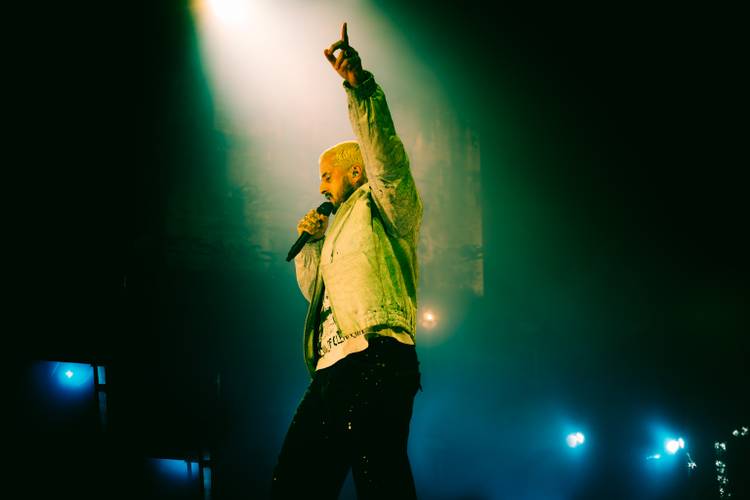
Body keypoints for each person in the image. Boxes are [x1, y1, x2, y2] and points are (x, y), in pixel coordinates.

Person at [270, 22, 424, 499]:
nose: (320, 186)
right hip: (329, 368)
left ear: (355, 171)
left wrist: (361, 90)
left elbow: (387, 160)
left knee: (380, 479)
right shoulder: (335, 227)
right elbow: (315, 294)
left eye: (327, 175)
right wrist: (311, 245)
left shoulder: (385, 204)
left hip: (377, 355)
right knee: (294, 484)